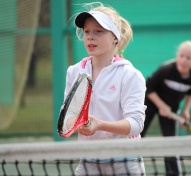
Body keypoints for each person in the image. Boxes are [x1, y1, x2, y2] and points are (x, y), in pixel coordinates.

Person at [64, 2, 146, 175]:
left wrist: (100, 125)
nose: (90, 37)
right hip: (88, 161)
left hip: (125, 161)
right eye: (87, 31)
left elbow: (136, 124)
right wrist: (76, 123)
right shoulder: (74, 72)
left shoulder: (130, 75)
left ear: (115, 37)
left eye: (98, 31)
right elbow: (68, 115)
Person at [140, 40, 191, 175]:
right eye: (181, 56)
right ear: (177, 55)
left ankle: (173, 173)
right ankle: (126, 165)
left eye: (188, 58)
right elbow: (149, 87)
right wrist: (161, 105)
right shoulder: (166, 70)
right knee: (138, 135)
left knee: (171, 142)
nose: (184, 60)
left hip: (171, 110)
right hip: (150, 103)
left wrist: (185, 111)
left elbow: (190, 93)